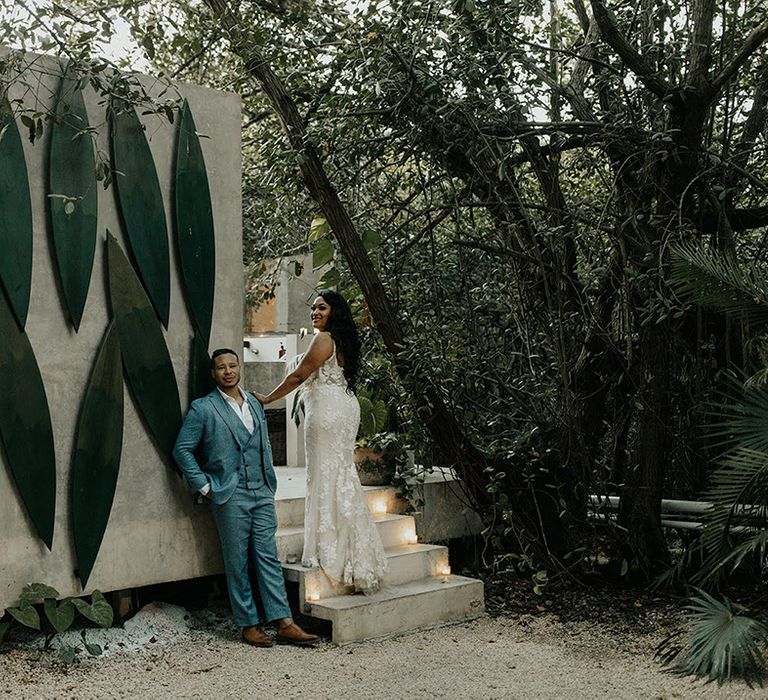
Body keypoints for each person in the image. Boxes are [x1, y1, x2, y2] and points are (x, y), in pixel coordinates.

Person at [173, 348, 319, 648]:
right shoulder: (203, 408)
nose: (228, 371)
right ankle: (249, 624)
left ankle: (284, 622)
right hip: (229, 494)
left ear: (240, 368)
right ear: (213, 374)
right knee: (237, 561)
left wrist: (268, 482)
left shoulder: (254, 401)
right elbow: (182, 450)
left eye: (232, 365)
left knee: (267, 557)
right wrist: (205, 487)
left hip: (262, 491)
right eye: (221, 368)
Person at [256, 290, 387, 592]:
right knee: (340, 472)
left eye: (322, 308)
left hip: (327, 411)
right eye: (313, 308)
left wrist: (267, 398)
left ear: (334, 312)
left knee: (323, 474)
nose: (315, 312)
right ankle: (351, 543)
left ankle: (326, 548)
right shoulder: (344, 341)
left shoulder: (324, 339)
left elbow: (299, 376)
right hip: (344, 406)